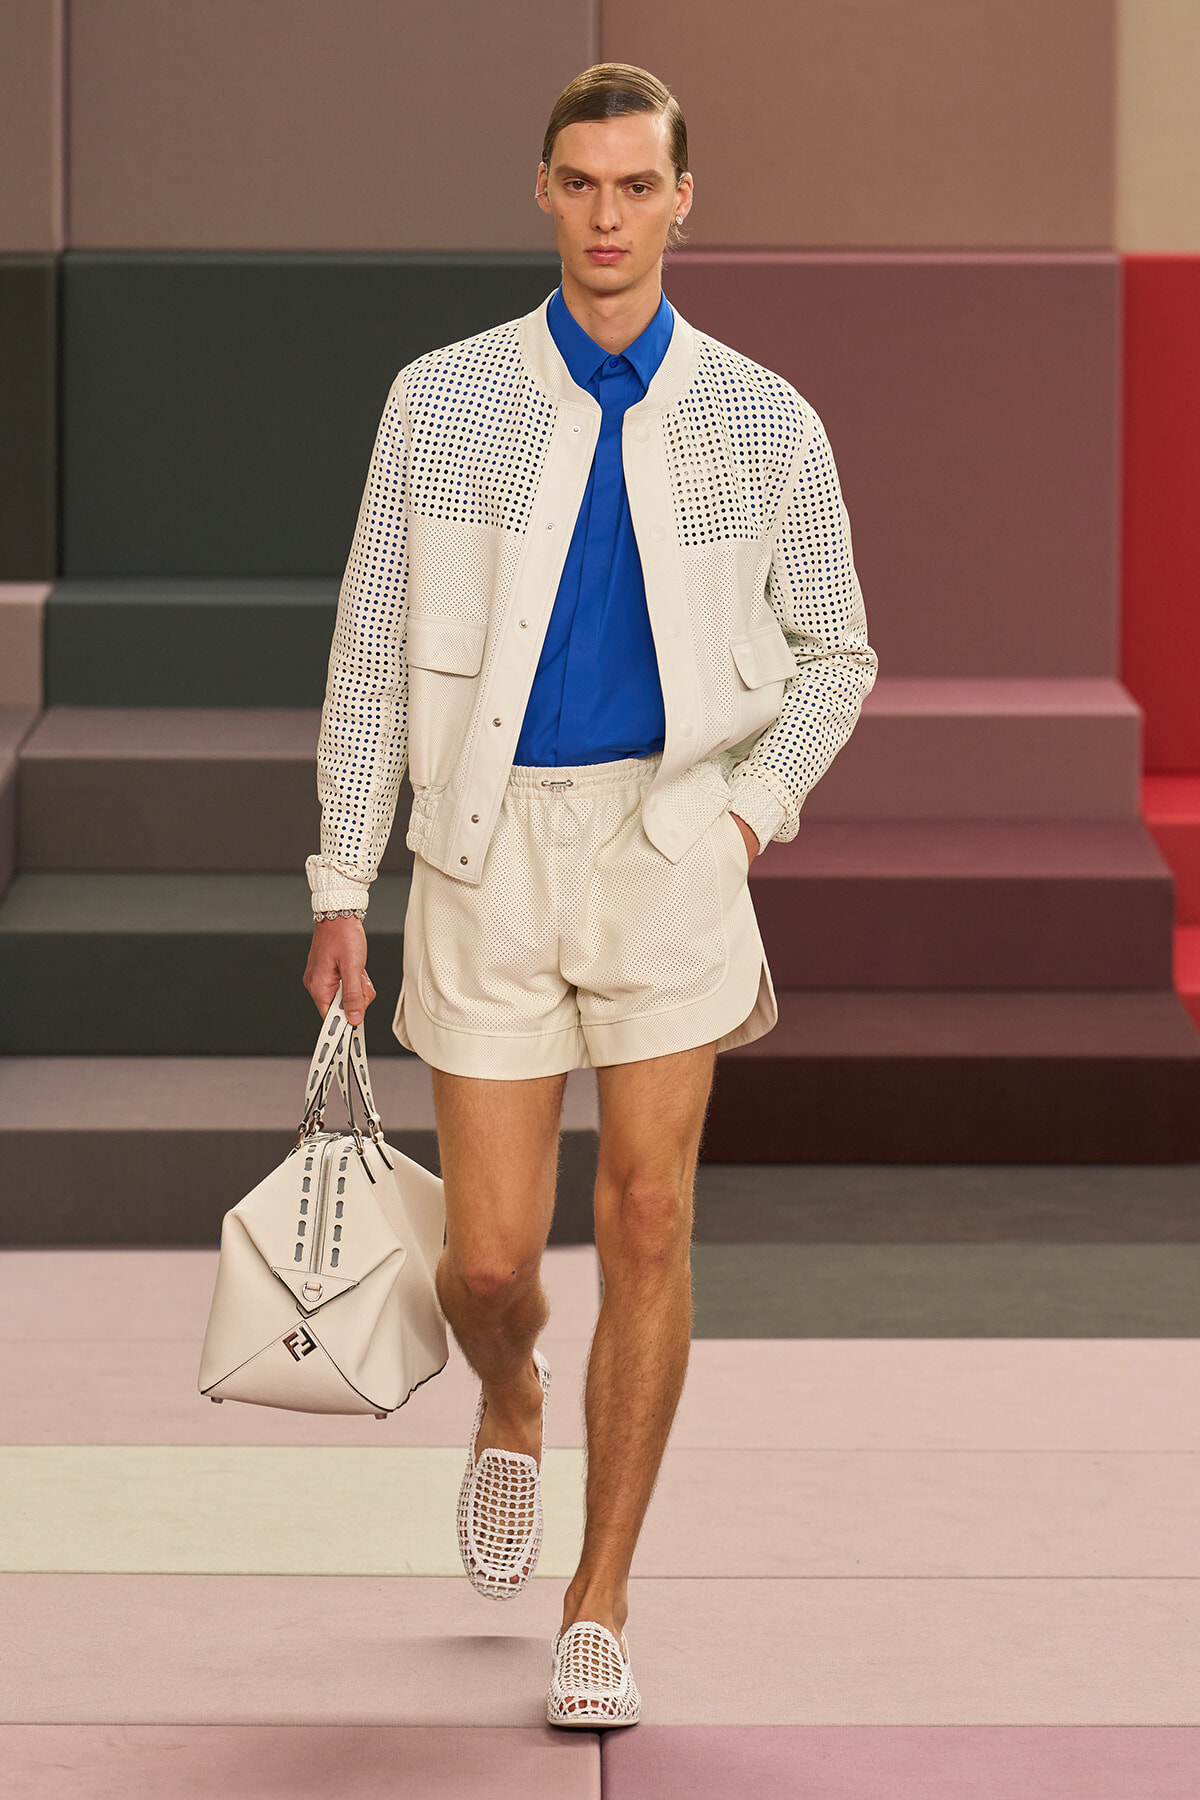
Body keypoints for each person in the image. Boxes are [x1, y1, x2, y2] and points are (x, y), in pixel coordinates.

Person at [303, 62, 876, 1727]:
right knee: (486, 1259)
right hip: (482, 857)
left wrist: (749, 815)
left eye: (639, 186)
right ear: (543, 195)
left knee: (647, 1215)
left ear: (685, 197)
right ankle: (509, 1397)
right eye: (582, 185)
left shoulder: (769, 421)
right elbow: (363, 650)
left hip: (669, 847)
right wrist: (344, 868)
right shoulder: (443, 399)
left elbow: (836, 650)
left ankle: (600, 1600)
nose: (611, 217)